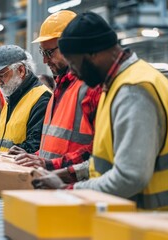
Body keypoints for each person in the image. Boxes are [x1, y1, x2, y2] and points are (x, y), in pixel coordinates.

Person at [32, 12, 168, 210]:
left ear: (94, 53)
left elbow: (129, 177)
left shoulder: (133, 91)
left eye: (75, 63)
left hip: (163, 220)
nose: (74, 73)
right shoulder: (118, 85)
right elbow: (109, 161)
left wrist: (69, 191)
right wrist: (66, 173)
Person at [12, 10, 101, 184]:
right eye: (42, 53)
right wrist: (35, 157)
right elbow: (54, 145)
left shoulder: (90, 87)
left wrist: (48, 165)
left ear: (71, 46)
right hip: (52, 185)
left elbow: (99, 151)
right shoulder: (60, 89)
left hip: (75, 190)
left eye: (49, 53)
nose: (45, 61)